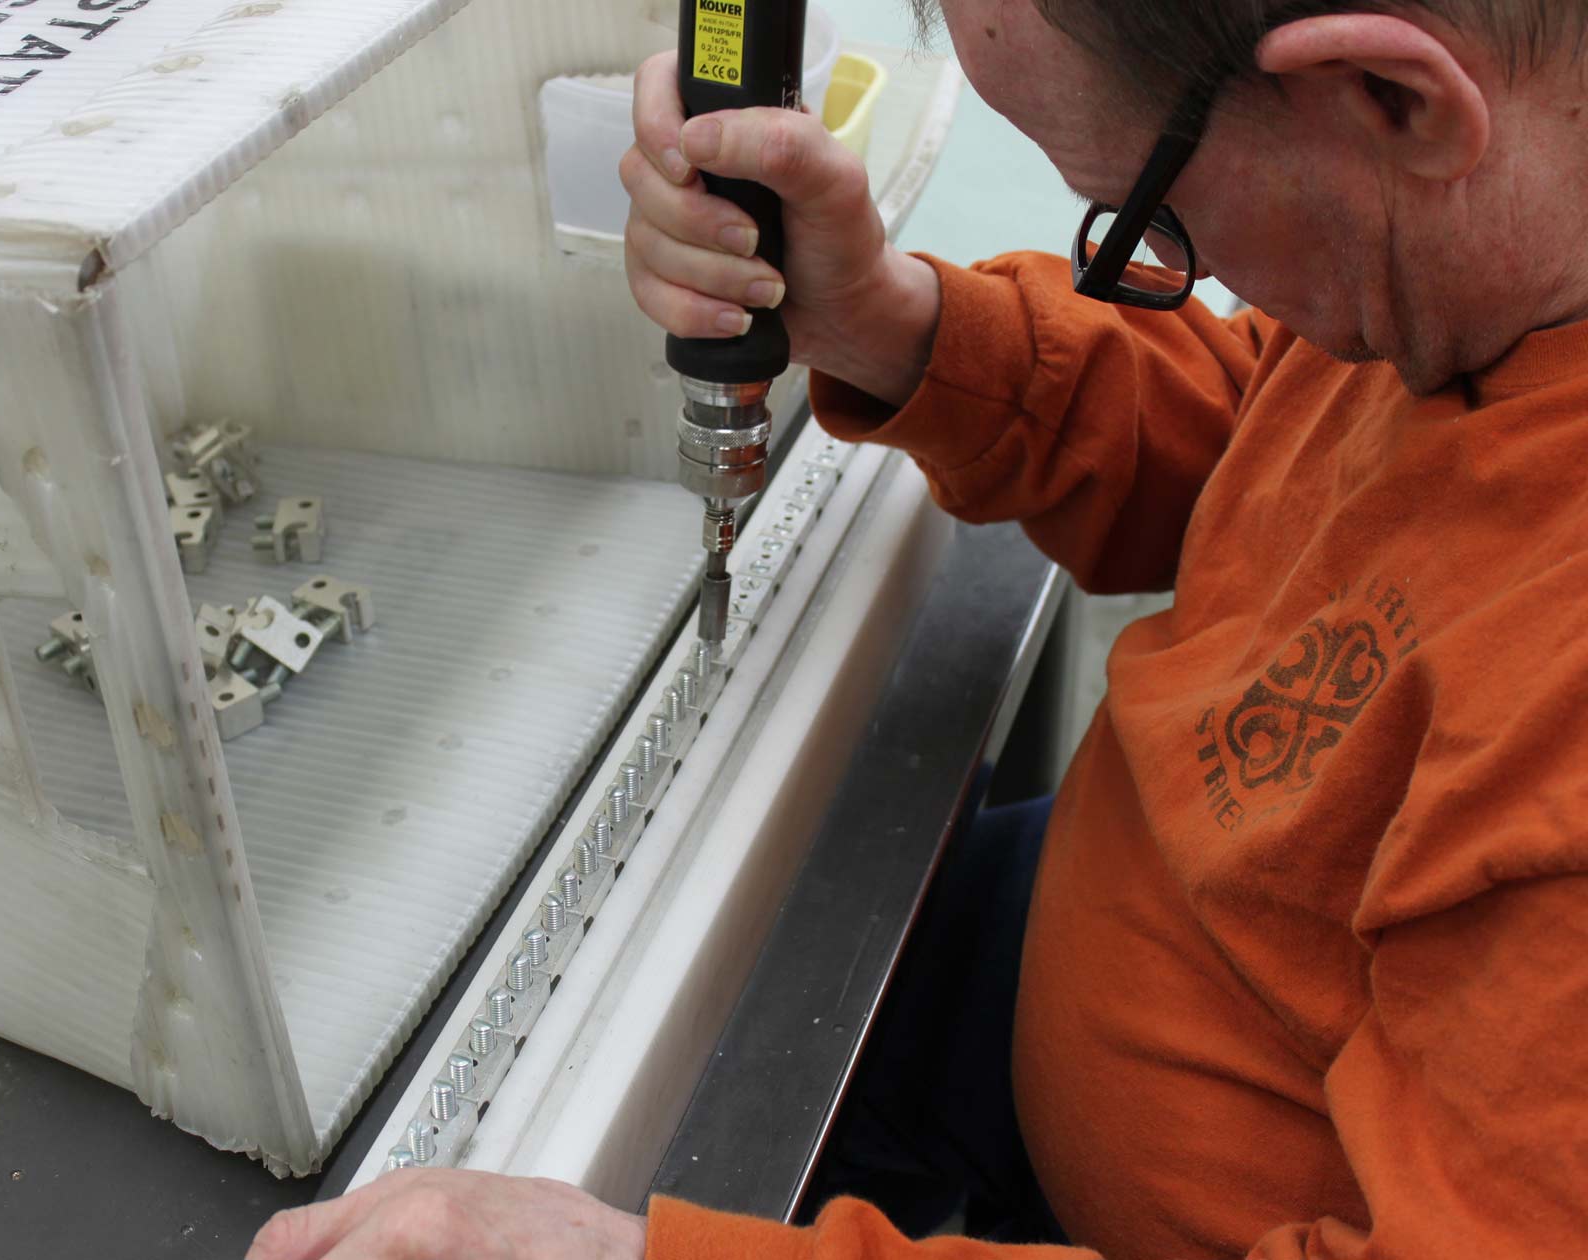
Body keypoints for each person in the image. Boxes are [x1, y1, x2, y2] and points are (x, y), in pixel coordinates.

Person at [246, 0, 1588, 1255]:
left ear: (1392, 99)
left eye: (1137, 216)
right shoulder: (1470, 274)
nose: (1181, 264)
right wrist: (891, 321)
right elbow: (1267, 450)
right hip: (1108, 925)